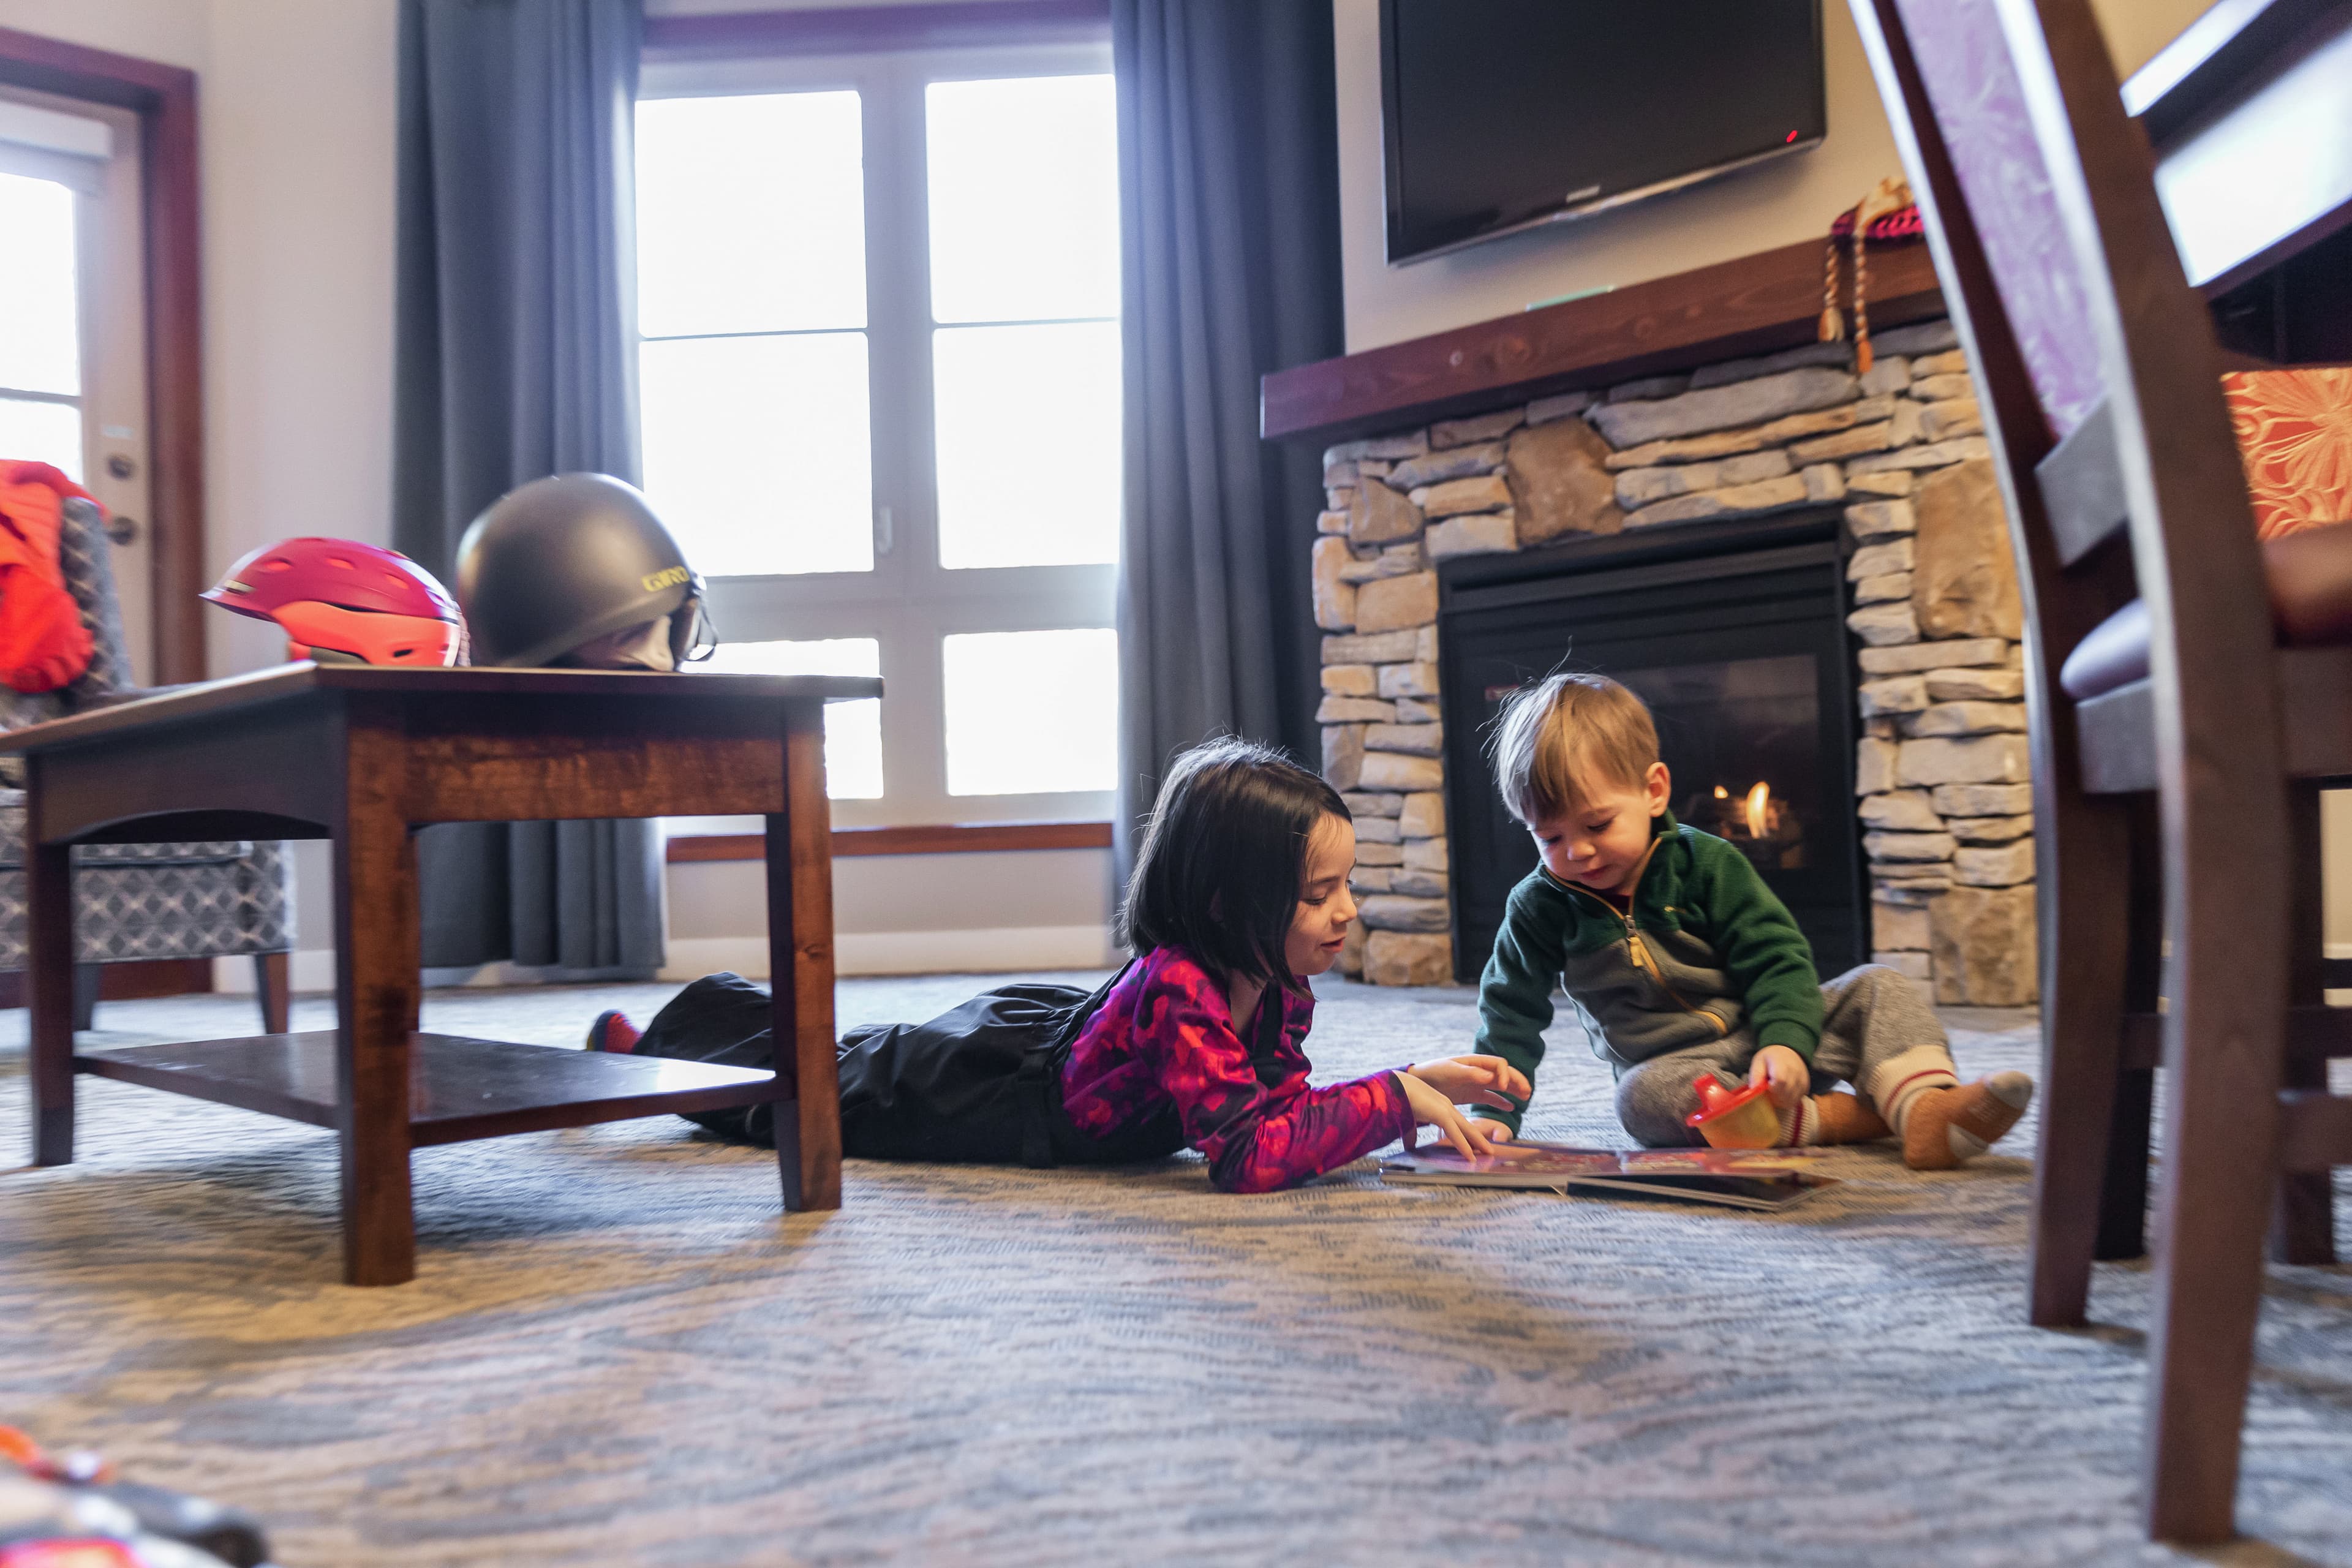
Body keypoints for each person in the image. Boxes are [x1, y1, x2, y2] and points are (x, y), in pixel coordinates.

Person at [593, 737, 1527, 1191]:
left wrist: (1410, 1082)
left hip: (1053, 1040)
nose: (1347, 911)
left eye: (1346, 885)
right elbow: (1244, 1156)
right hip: (991, 1092)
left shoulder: (1280, 981)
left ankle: (710, 1021)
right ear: (1225, 904)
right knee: (811, 1091)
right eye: (1320, 893)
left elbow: (1274, 1111)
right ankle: (654, 1049)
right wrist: (1394, 1099)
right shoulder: (1184, 986)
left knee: (852, 1050)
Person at [1468, 671, 2033, 1169]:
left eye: (1598, 825)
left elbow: (1776, 959)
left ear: (1654, 791)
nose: (1578, 852)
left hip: (1770, 1044)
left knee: (1878, 986)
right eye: (1551, 837)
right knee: (1639, 1101)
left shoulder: (1709, 863)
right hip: (1684, 1077)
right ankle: (1851, 1119)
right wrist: (1494, 1114)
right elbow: (1509, 1012)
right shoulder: (1539, 906)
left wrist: (1785, 1042)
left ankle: (1927, 1107)